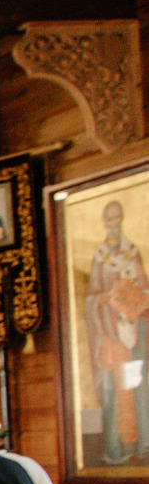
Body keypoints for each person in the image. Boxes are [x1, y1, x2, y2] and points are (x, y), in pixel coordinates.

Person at [83, 199, 149, 464]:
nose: (113, 224)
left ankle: (144, 444)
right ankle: (115, 448)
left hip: (133, 330)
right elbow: (90, 298)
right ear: (104, 223)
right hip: (109, 334)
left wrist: (133, 300)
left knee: (139, 385)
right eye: (109, 220)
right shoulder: (100, 258)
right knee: (112, 386)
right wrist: (107, 297)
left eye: (117, 218)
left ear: (121, 220)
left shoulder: (133, 253)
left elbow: (143, 289)